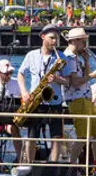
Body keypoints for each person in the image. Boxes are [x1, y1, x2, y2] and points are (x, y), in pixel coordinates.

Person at [17, 24, 65, 163]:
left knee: (56, 138)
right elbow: (20, 74)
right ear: (42, 37)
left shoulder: (60, 57)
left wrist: (57, 78)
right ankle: (29, 166)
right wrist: (24, 92)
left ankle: (53, 166)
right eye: (51, 38)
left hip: (54, 102)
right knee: (32, 137)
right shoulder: (31, 55)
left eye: (56, 39)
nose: (54, 42)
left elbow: (68, 81)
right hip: (35, 101)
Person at [59, 27, 96, 167]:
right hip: (77, 99)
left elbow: (85, 76)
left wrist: (87, 61)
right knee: (83, 136)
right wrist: (93, 75)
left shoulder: (76, 57)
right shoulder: (69, 57)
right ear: (75, 41)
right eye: (83, 40)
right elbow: (75, 82)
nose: (85, 44)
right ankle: (71, 165)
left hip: (86, 97)